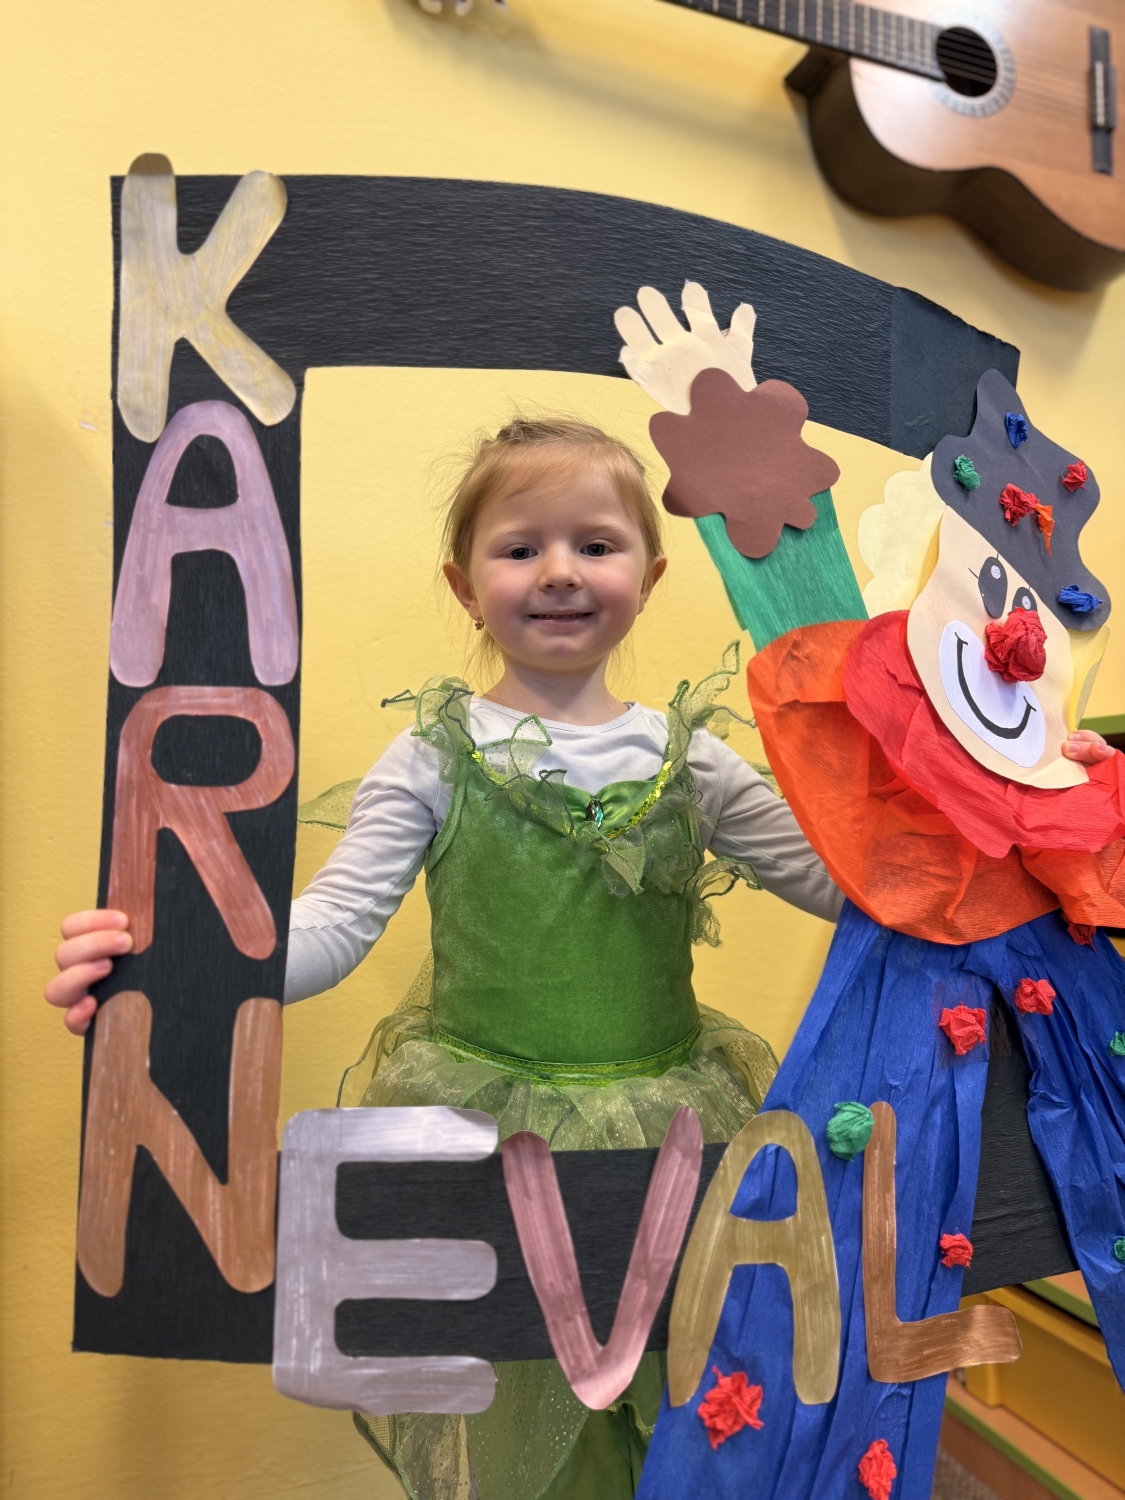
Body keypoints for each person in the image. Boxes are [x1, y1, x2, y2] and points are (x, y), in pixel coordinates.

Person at [47, 414, 845, 1500]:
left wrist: (998, 794)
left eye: (595, 545)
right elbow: (331, 927)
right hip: (492, 1136)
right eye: (520, 548)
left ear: (649, 577)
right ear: (466, 586)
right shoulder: (433, 756)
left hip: (669, 1127)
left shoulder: (692, 760)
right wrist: (182, 957)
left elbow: (845, 885)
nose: (558, 571)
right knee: (526, 1414)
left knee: (676, 1392)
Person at [611, 285, 1125, 1500]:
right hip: (898, 1030)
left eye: (1030, 615)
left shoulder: (1073, 801)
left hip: (1042, 981)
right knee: (834, 1261)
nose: (1009, 641)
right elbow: (814, 623)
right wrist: (724, 419)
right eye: (989, 597)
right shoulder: (889, 724)